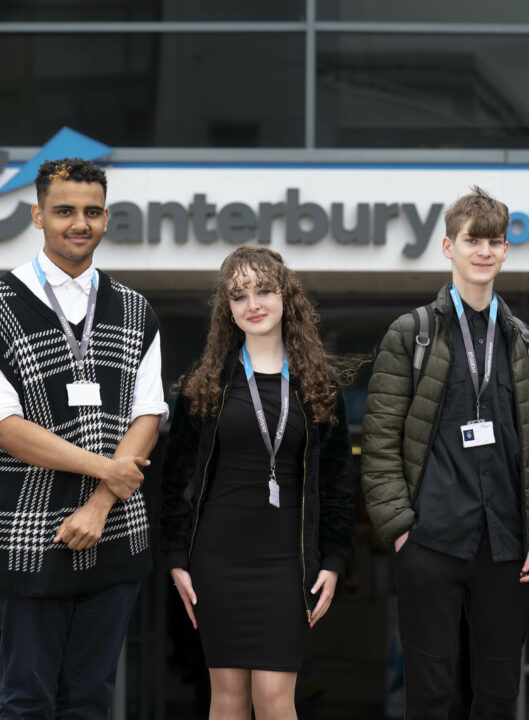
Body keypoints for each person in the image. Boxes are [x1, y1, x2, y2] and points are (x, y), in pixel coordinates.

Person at [361, 186, 529, 719]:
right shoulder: (411, 334)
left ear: (505, 251)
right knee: (430, 694)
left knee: (499, 695)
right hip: (430, 539)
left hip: (508, 544)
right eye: (471, 240)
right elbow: (380, 441)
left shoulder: (526, 343)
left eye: (494, 242)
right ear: (448, 247)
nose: (483, 251)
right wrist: (401, 528)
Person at [0, 158, 168, 718]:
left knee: (92, 700)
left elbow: (149, 414)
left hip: (116, 531)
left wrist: (100, 503)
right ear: (37, 215)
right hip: (26, 538)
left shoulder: (136, 309)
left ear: (105, 218)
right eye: (65, 210)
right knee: (26, 701)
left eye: (92, 212)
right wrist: (106, 470)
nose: (80, 223)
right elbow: (6, 429)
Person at [160, 246, 355, 720]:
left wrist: (333, 558)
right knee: (226, 698)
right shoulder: (205, 384)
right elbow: (176, 479)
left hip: (288, 559)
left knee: (273, 699)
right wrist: (175, 558)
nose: (253, 303)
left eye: (264, 290)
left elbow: (336, 482)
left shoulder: (317, 385)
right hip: (217, 556)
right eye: (239, 295)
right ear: (228, 310)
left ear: (286, 295)